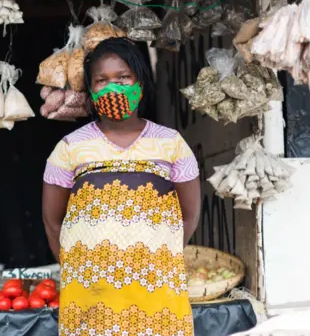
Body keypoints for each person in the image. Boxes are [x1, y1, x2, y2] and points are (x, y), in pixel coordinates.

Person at [42, 37, 201, 336]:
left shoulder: (171, 143)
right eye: (102, 80)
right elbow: (52, 222)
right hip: (90, 295)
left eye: (123, 77)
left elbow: (190, 216)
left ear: (139, 82)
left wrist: (158, 260)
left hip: (157, 290)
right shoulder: (70, 147)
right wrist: (81, 267)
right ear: (90, 90)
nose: (113, 87)